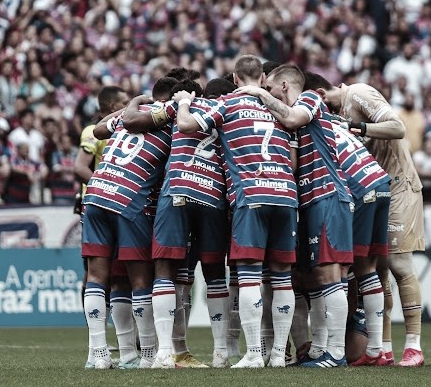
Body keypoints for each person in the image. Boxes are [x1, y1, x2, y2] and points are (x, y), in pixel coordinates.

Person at [174, 55, 299, 369]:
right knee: (282, 278)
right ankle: (278, 356)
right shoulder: (278, 108)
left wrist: (185, 102)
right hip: (286, 195)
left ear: (234, 78)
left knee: (249, 276)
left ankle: (254, 353)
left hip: (251, 195)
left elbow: (186, 125)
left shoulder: (227, 104)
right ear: (262, 77)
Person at [237, 64, 355, 368]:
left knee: (331, 274)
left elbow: (292, 117)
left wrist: (257, 93)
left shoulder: (309, 101)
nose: (269, 95)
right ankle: (319, 349)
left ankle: (337, 353)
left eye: (273, 89)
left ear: (286, 85)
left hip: (328, 194)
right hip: (309, 199)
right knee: (315, 276)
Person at [122, 76, 233, 368]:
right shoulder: (225, 109)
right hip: (212, 195)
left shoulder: (177, 109)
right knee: (214, 273)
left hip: (178, 191)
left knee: (165, 270)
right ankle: (221, 352)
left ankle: (165, 352)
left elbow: (129, 122)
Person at [314, 81, 426, 367]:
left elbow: (397, 127)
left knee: (400, 264)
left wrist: (357, 127)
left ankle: (414, 345)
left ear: (322, 94)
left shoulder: (358, 93)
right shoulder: (335, 115)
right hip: (375, 189)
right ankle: (383, 347)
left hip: (400, 185)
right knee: (379, 270)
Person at [81, 78, 174, 370]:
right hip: (130, 199)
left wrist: (131, 105)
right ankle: (147, 355)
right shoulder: (172, 121)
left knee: (96, 277)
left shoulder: (126, 118)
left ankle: (98, 355)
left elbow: (97, 131)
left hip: (96, 193)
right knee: (140, 280)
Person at [304, 71, 393, 366]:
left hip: (355, 189)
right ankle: (375, 351)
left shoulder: (310, 120)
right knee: (366, 268)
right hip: (379, 182)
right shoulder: (335, 121)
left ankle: (334, 353)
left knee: (337, 269)